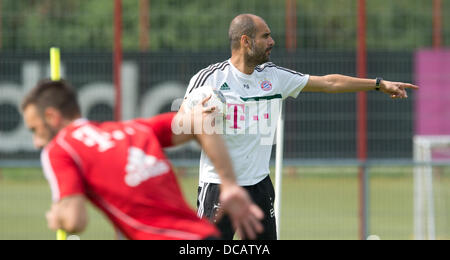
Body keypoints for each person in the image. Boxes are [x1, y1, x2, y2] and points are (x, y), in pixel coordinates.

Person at [184, 13, 419, 240]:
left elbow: (329, 82)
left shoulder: (274, 77)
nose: (272, 41)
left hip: (259, 187)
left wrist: (378, 84)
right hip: (218, 187)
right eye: (265, 36)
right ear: (246, 41)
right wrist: (195, 118)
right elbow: (178, 124)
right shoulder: (209, 79)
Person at [21, 79, 263, 240]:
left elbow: (75, 220)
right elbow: (200, 122)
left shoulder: (60, 149)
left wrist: (58, 216)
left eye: (34, 130)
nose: (36, 142)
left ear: (52, 117)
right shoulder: (134, 129)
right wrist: (229, 185)